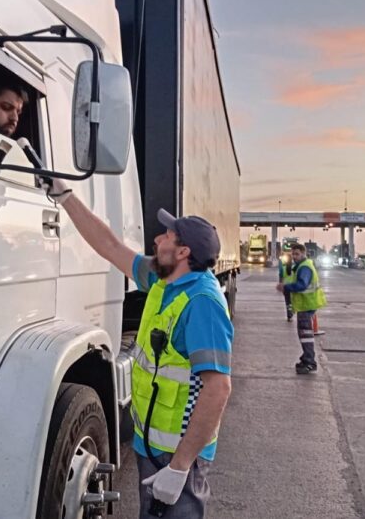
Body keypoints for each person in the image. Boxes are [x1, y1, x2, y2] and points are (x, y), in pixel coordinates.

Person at [48, 180, 234, 519]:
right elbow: (109, 246)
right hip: (152, 444)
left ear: (183, 252)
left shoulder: (202, 303)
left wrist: (179, 468)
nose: (157, 239)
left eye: (166, 236)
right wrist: (66, 197)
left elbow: (218, 389)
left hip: (179, 454)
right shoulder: (164, 280)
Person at [276, 243, 327, 374]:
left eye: (297, 254)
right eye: (293, 254)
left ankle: (310, 362)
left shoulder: (304, 267)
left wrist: (286, 287)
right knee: (304, 334)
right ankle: (306, 358)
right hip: (306, 304)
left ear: (304, 254)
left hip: (307, 304)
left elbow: (302, 285)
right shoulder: (300, 266)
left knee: (305, 335)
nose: (294, 256)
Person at [277, 254, 294, 321]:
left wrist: (281, 285)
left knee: (288, 302)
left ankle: (289, 315)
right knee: (292, 301)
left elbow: (281, 278)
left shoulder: (283, 268)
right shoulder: (294, 267)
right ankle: (292, 312)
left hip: (286, 287)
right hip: (293, 287)